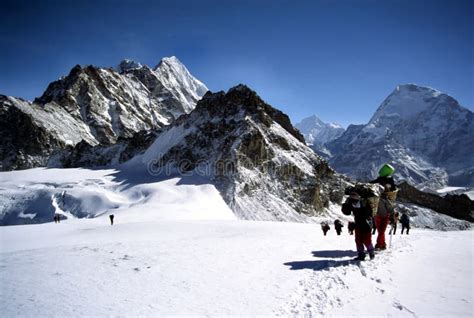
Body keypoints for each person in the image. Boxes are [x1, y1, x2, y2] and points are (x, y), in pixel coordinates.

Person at [370, 164, 397, 250]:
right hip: (380, 215)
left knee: (381, 231)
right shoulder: (389, 184)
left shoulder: (379, 196)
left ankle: (380, 245)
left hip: (381, 215)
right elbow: (391, 207)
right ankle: (381, 245)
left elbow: (371, 183)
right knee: (381, 231)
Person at [342, 192, 375, 261]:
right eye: (351, 196)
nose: (352, 198)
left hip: (367, 224)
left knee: (367, 240)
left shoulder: (364, 203)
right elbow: (347, 212)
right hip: (358, 224)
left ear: (357, 197)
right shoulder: (352, 203)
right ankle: (361, 255)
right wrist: (346, 204)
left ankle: (371, 253)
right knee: (358, 241)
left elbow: (368, 213)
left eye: (353, 196)